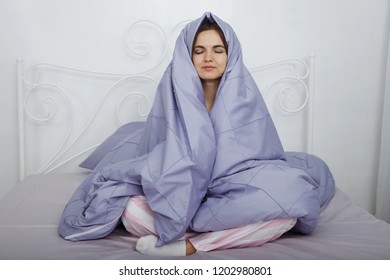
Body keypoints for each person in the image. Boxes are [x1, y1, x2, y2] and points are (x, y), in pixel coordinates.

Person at [58, 12, 335, 258]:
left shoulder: (244, 93)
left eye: (218, 50)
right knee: (129, 208)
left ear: (231, 54)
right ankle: (205, 231)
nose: (209, 58)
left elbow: (256, 155)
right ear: (187, 56)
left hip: (234, 185)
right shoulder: (172, 91)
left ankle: (195, 244)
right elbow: (161, 149)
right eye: (199, 50)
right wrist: (184, 183)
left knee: (288, 207)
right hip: (180, 182)